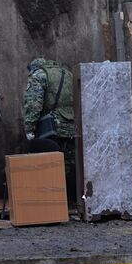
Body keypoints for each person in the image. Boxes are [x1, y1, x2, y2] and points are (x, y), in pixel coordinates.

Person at [23, 58, 76, 206]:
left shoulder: (39, 75)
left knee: (51, 166)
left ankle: (53, 203)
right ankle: (71, 201)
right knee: (70, 165)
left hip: (53, 127)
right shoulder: (67, 73)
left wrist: (30, 129)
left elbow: (33, 105)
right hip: (72, 125)